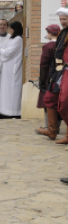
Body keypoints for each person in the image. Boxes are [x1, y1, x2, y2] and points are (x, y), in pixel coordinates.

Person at [41, 8, 68, 143]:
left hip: (66, 72)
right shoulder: (63, 33)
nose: (62, 22)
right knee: (50, 97)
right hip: (59, 72)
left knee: (65, 101)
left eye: (65, 19)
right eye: (61, 19)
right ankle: (52, 130)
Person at [36, 24, 61, 135]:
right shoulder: (62, 45)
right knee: (59, 101)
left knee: (48, 101)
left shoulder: (48, 47)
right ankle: (57, 126)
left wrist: (42, 80)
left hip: (50, 78)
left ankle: (50, 127)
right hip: (61, 77)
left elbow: (43, 64)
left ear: (50, 33)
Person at [0, 21, 23, 118]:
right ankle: (6, 111)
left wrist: (0, 50)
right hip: (7, 67)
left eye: (10, 29)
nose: (9, 30)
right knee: (6, 90)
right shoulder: (13, 39)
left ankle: (14, 112)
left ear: (15, 29)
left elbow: (8, 52)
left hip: (13, 67)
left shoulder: (18, 39)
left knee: (13, 90)